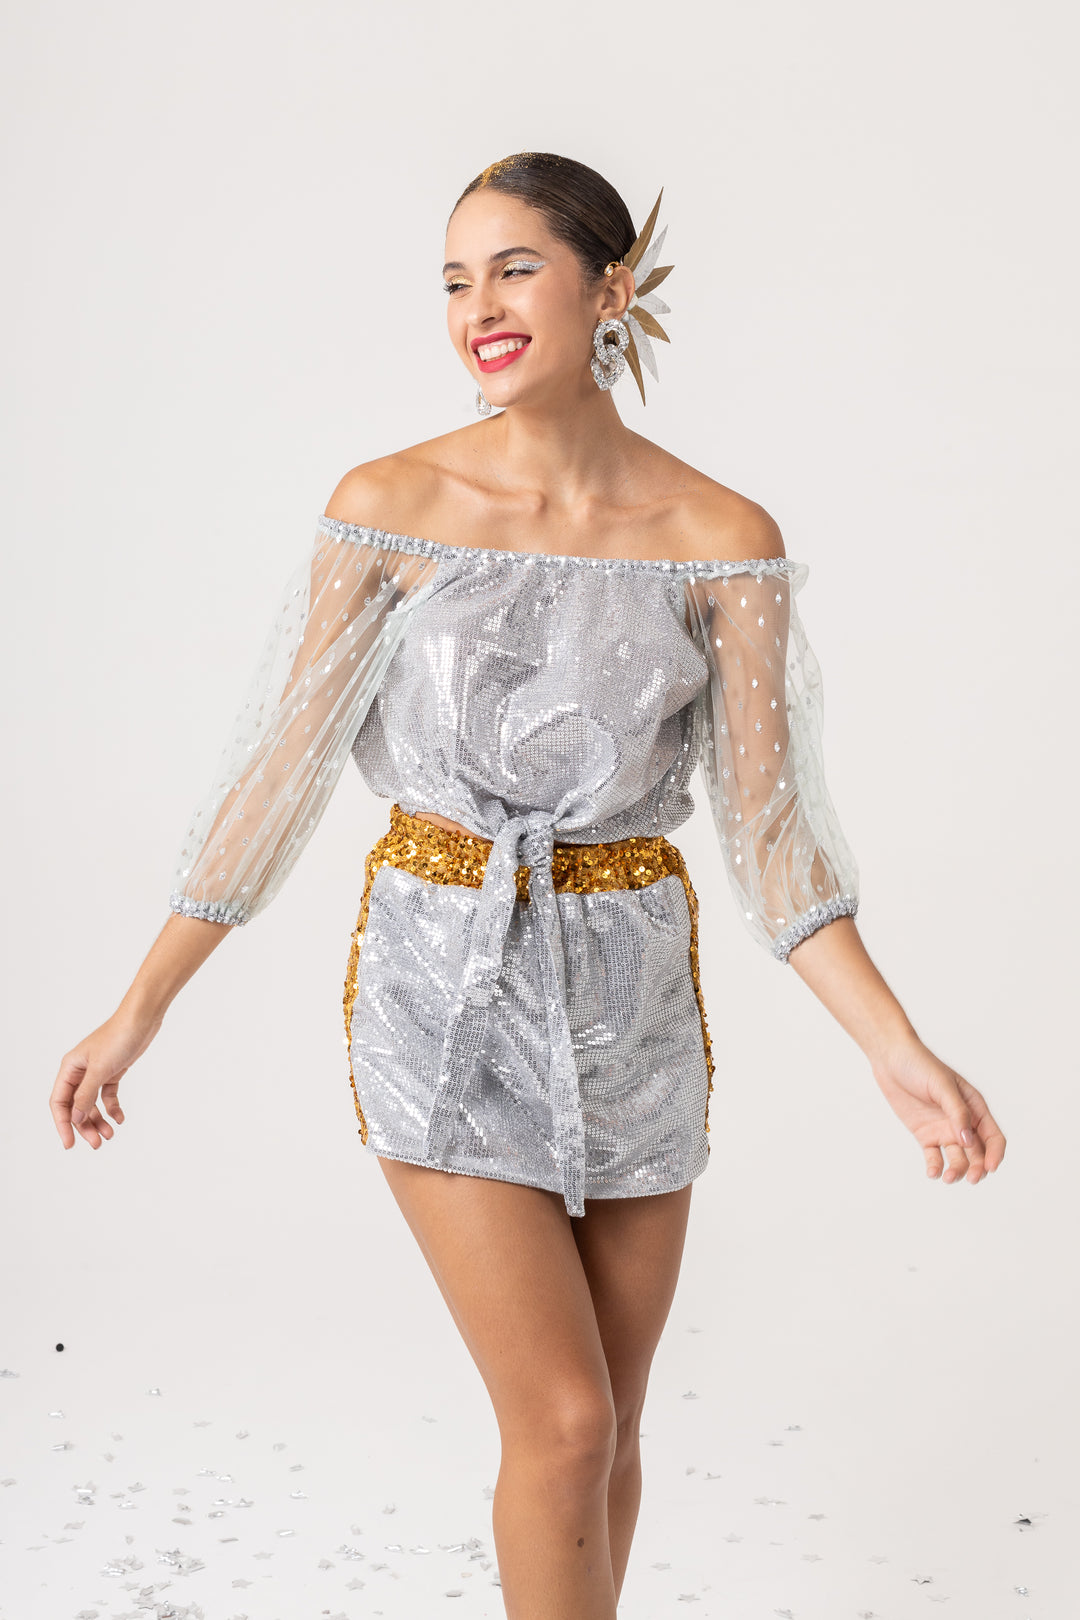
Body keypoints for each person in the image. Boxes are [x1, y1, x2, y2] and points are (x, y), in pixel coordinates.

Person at [50, 151, 1006, 1620]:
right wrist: (141, 1009)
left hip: (637, 1005)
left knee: (609, 1427)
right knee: (561, 1420)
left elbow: (777, 838)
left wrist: (897, 1051)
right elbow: (273, 777)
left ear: (610, 290)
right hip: (442, 990)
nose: (477, 308)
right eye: (454, 279)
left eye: (514, 270)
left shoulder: (721, 540)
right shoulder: (391, 506)